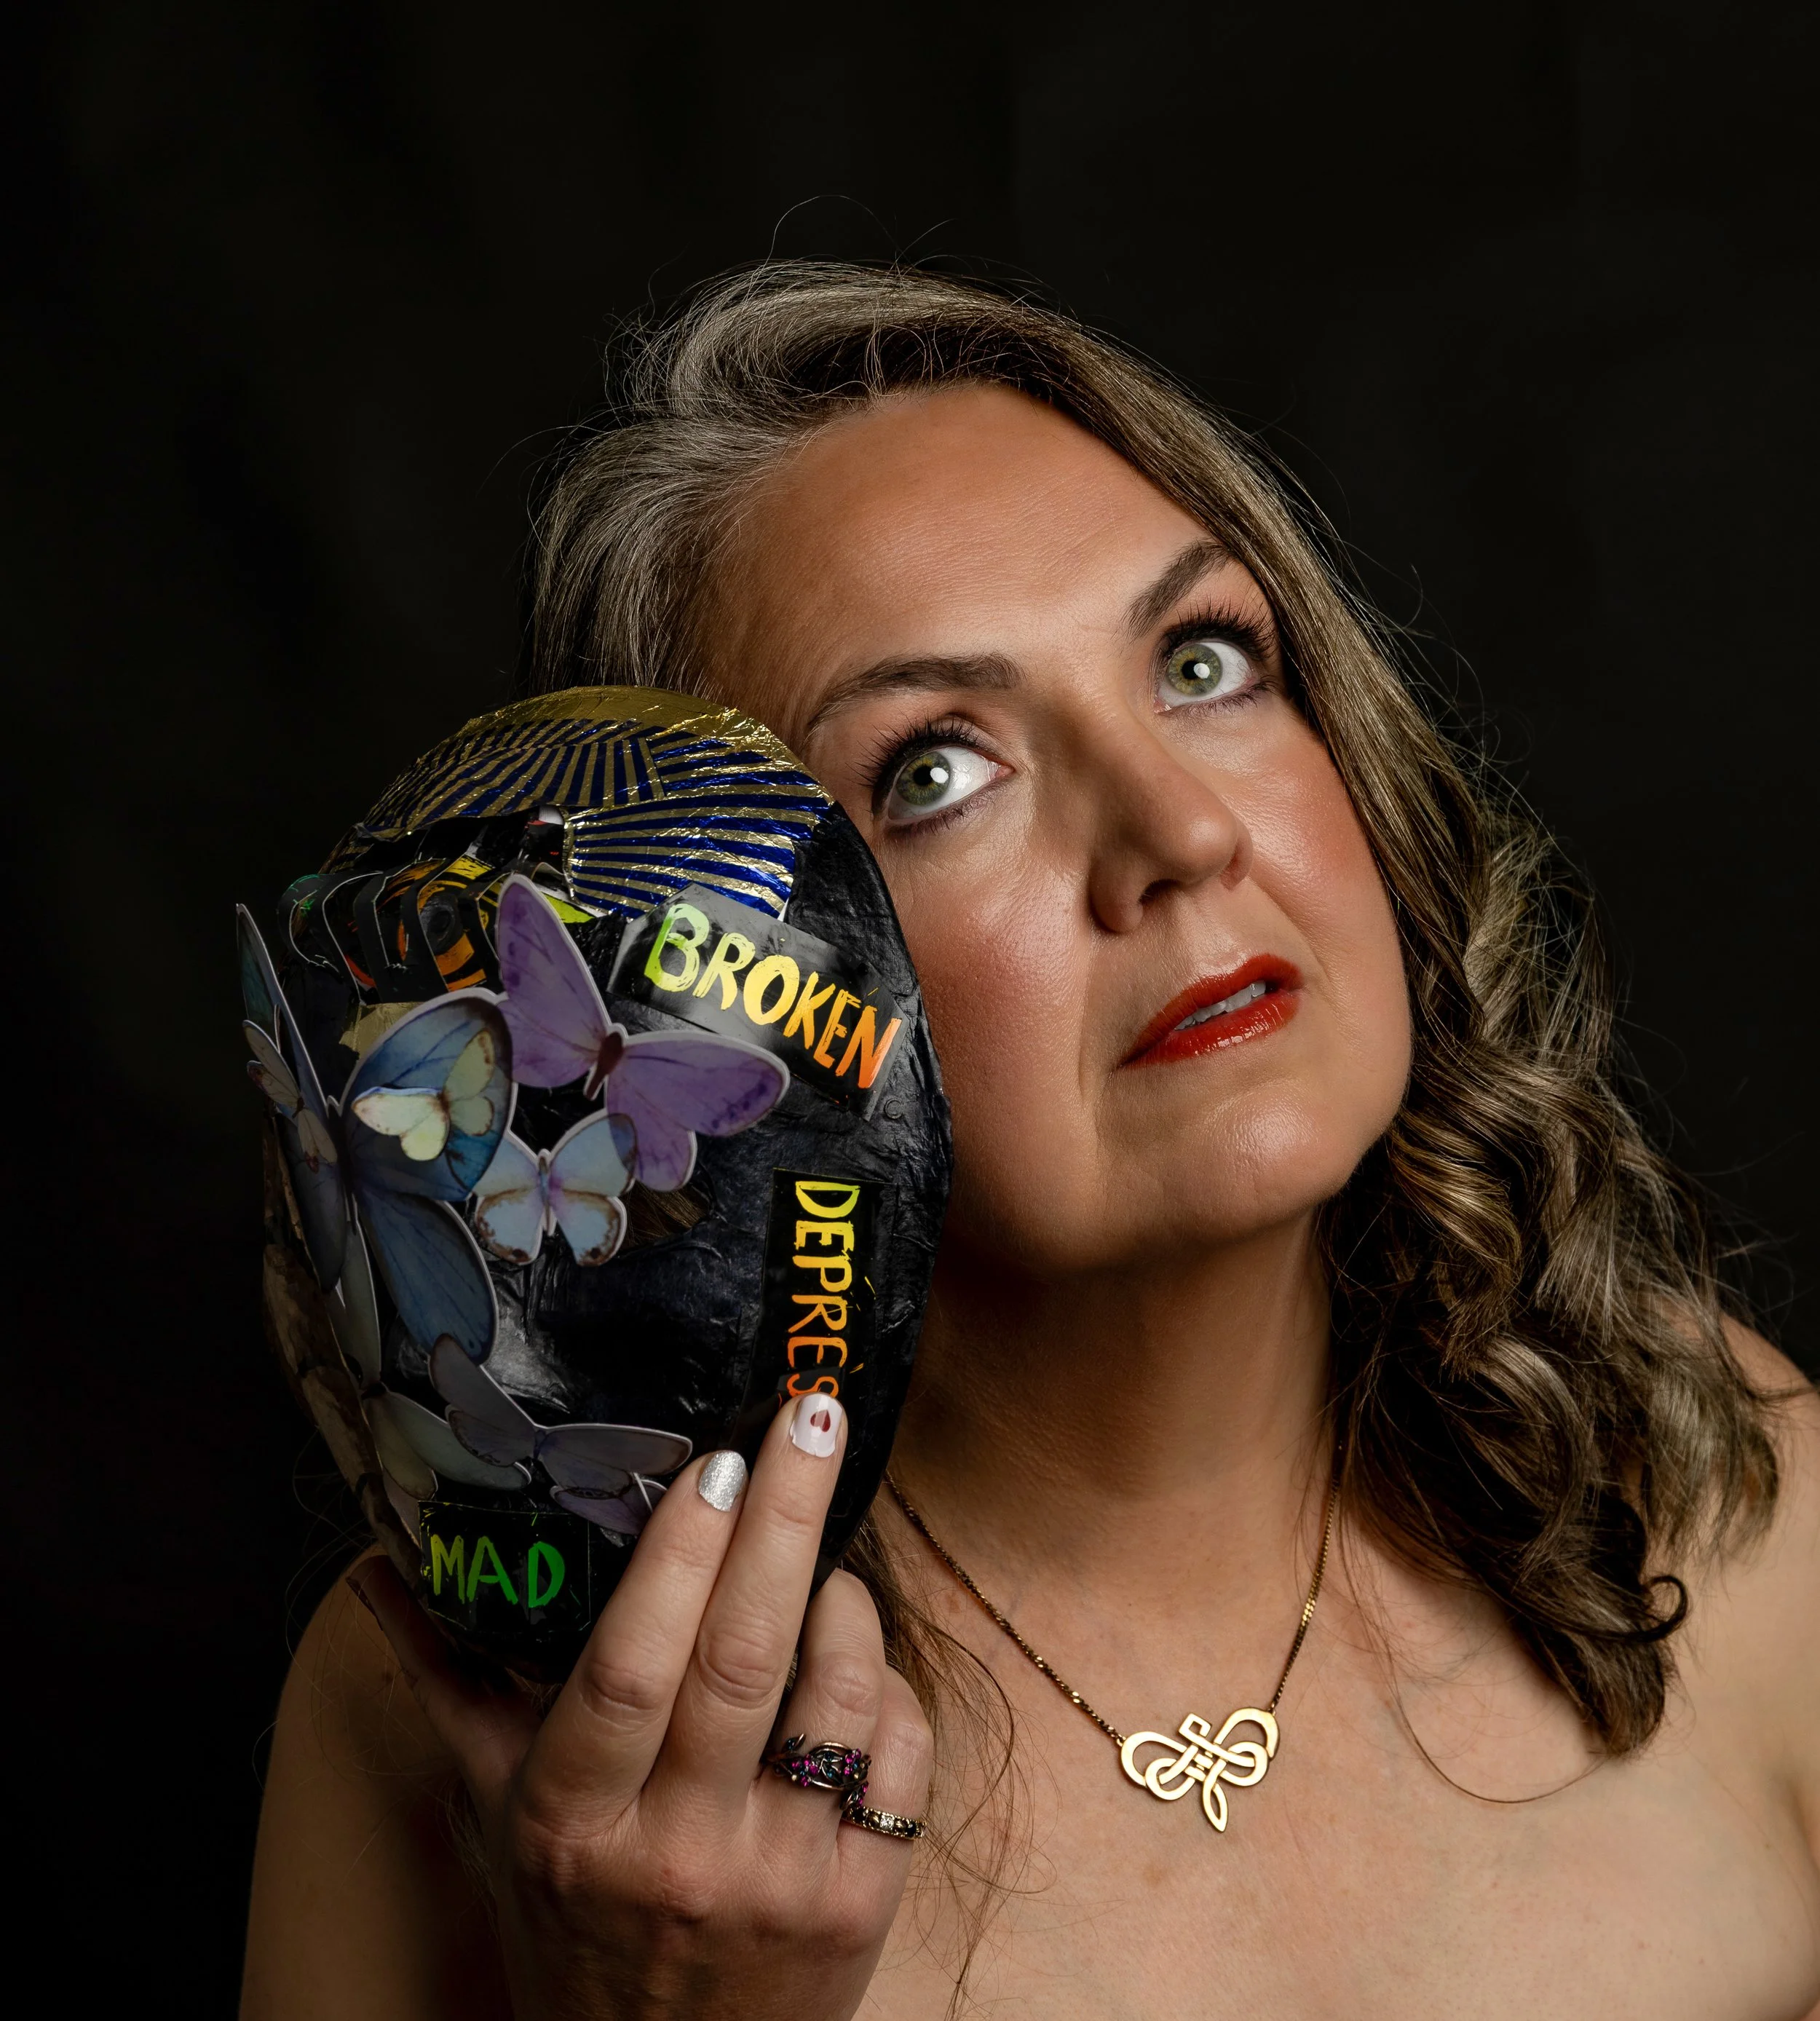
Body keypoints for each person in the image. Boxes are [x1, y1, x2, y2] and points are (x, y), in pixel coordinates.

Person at [240, 265, 1820, 2020]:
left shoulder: (1723, 1486)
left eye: (1204, 662)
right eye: (933, 769)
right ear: (702, 983)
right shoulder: (469, 1715)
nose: (1177, 832)